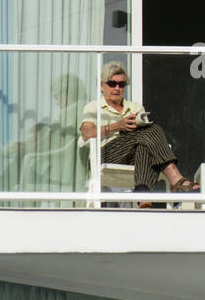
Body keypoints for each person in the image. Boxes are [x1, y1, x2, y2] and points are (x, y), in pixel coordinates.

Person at [79, 62, 197, 205]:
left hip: (132, 154)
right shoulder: (94, 107)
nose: (117, 88)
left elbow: (147, 137)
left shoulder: (135, 107)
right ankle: (177, 180)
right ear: (101, 86)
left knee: (145, 144)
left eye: (122, 84)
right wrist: (118, 126)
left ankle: (143, 195)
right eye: (112, 83)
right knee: (153, 130)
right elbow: (87, 133)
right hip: (106, 153)